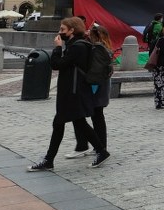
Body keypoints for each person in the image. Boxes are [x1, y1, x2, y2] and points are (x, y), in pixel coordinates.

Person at [28, 17, 109, 171]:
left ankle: (49, 160)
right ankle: (100, 151)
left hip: (73, 92)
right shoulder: (76, 45)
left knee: (62, 123)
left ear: (72, 30)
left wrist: (58, 48)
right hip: (72, 91)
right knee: (75, 123)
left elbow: (57, 64)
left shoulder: (78, 47)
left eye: (63, 29)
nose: (60, 32)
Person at [66, 25, 114, 160]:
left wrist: (87, 84)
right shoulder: (105, 47)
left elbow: (95, 71)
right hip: (101, 86)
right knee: (97, 116)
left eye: (89, 33)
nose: (87, 34)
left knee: (81, 115)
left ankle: (86, 146)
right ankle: (100, 145)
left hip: (95, 87)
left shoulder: (97, 48)